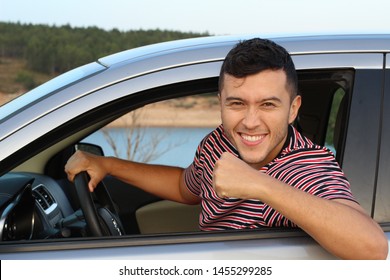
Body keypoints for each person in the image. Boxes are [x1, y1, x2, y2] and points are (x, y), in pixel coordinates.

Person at [65, 38, 388, 259]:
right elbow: (184, 186)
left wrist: (260, 185)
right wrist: (107, 165)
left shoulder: (307, 167)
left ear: (292, 109)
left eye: (268, 105)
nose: (250, 121)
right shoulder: (219, 142)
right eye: (237, 103)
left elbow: (372, 247)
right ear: (221, 104)